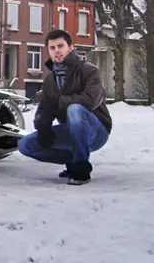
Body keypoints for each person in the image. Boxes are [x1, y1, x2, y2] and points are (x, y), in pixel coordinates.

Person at [17, 30, 112, 185]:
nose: (57, 51)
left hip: (96, 130)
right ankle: (73, 159)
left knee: (75, 109)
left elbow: (90, 101)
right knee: (25, 145)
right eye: (52, 48)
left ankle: (81, 169)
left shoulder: (89, 70)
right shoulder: (49, 81)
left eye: (60, 46)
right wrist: (42, 125)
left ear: (71, 47)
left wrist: (59, 102)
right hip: (70, 130)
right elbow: (43, 109)